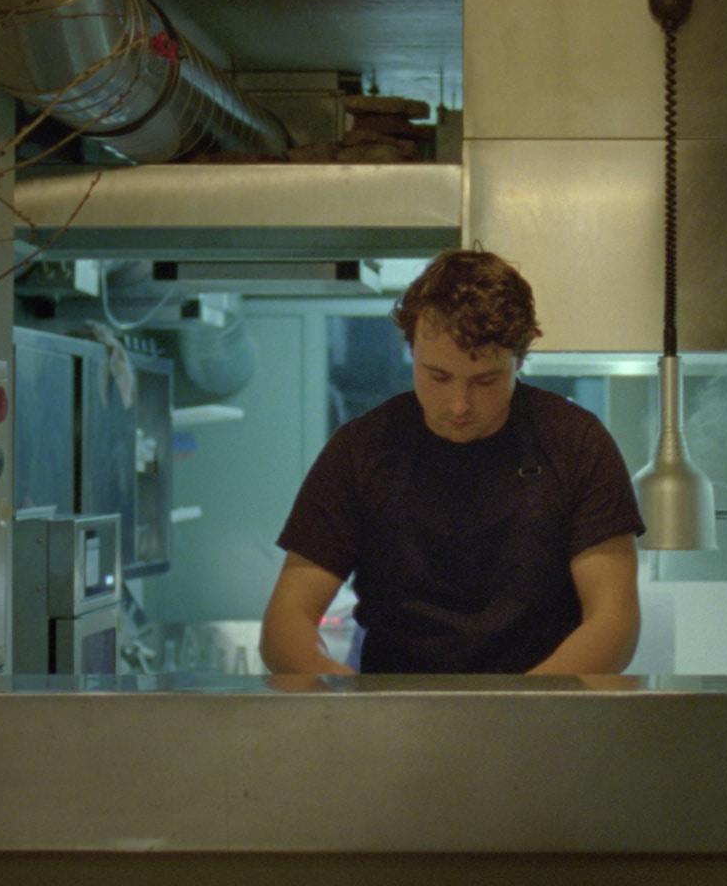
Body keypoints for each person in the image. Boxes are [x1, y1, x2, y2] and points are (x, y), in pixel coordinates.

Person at [260, 248, 643, 675]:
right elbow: (284, 624)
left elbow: (614, 624)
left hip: (542, 723)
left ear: (520, 360)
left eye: (486, 381)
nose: (459, 405)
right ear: (411, 350)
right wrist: (357, 705)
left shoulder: (576, 443)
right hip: (394, 725)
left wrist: (517, 710)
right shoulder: (361, 449)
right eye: (438, 377)